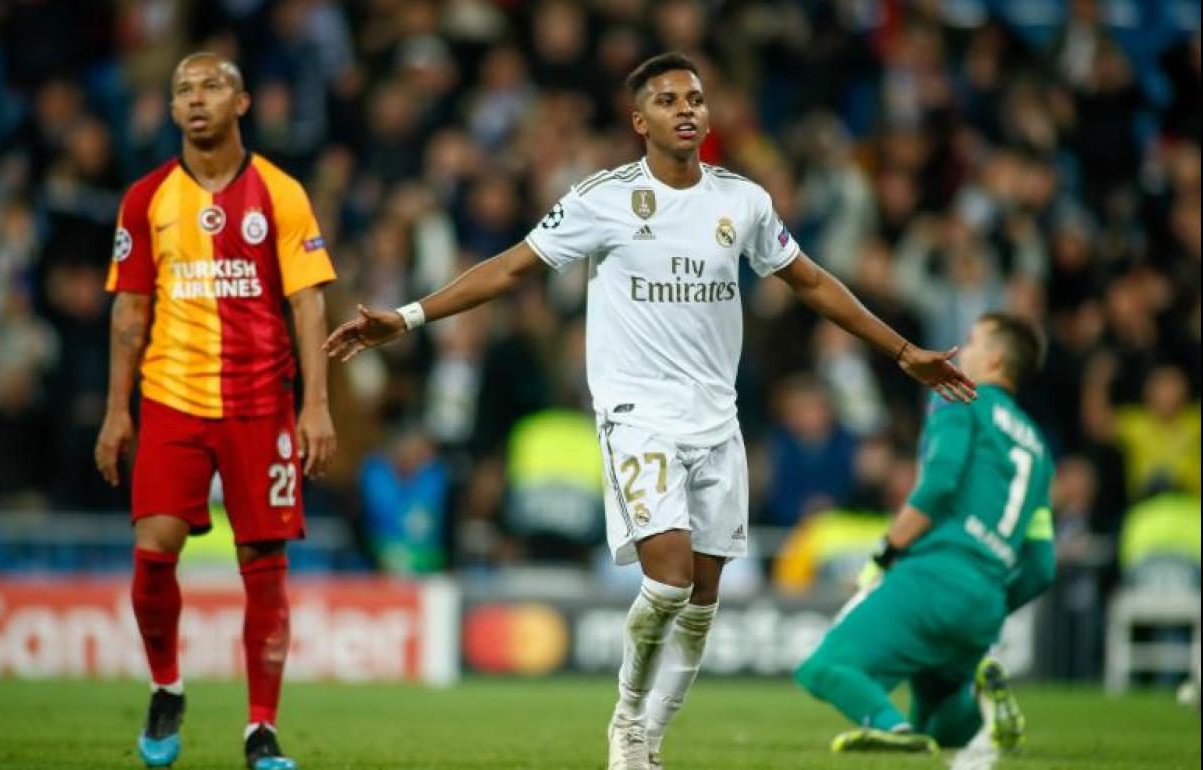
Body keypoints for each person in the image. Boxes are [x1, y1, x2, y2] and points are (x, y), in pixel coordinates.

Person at [324, 52, 974, 770]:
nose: (687, 109)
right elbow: (510, 267)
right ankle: (627, 722)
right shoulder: (602, 199)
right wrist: (409, 316)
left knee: (702, 598)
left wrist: (903, 350)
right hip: (638, 412)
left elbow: (812, 282)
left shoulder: (743, 202)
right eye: (667, 100)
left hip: (715, 418)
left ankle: (651, 741)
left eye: (695, 97)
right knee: (665, 578)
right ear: (640, 121)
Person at [94, 52, 337, 770]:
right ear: (171, 112)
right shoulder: (144, 200)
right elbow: (129, 313)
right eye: (183, 90)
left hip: (261, 406)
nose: (196, 99)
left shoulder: (280, 194)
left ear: (243, 102)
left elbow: (308, 303)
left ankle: (260, 729)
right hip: (171, 400)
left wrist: (315, 407)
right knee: (153, 552)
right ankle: (166, 686)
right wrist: (116, 411)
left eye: (212, 86)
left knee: (263, 564)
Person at [795, 312, 1057, 757]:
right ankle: (977, 702)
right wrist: (989, 600)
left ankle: (892, 732)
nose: (963, 348)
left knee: (825, 667)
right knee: (937, 723)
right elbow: (1041, 566)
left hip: (934, 575)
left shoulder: (959, 398)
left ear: (994, 359)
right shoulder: (1037, 447)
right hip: (986, 601)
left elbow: (938, 484)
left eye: (973, 340)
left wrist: (887, 551)